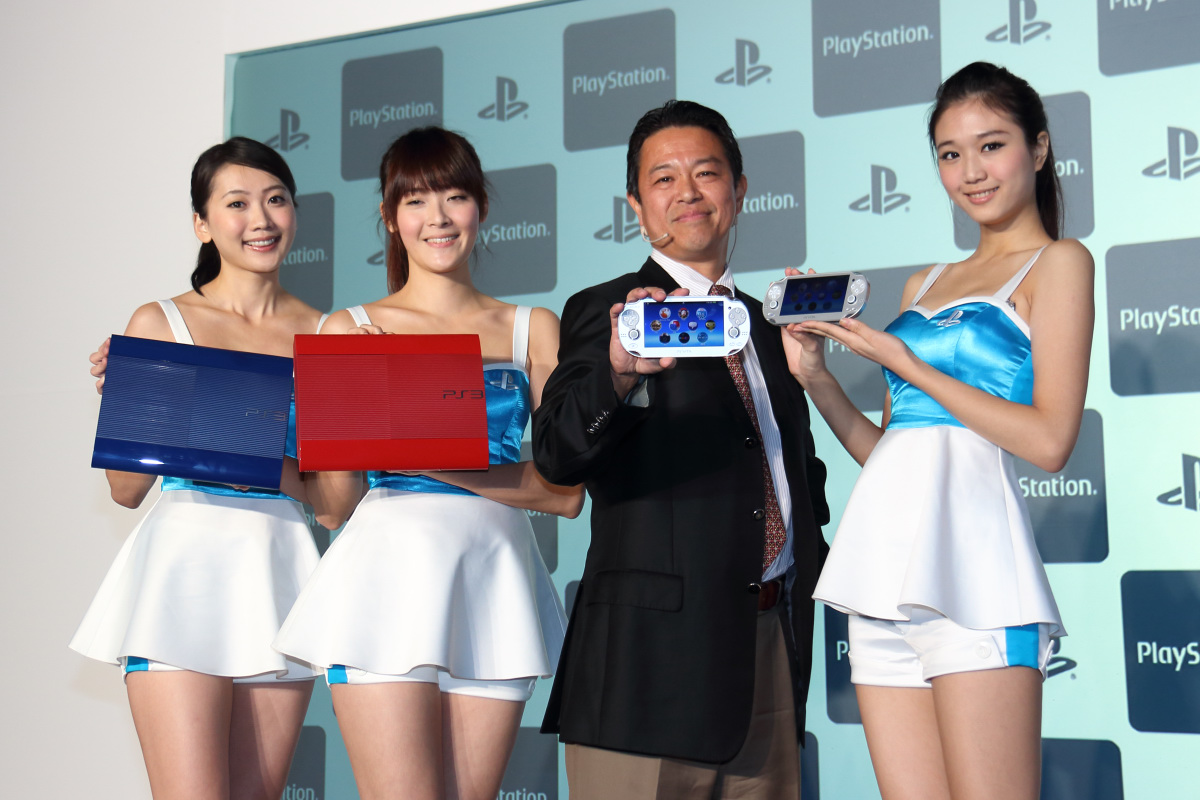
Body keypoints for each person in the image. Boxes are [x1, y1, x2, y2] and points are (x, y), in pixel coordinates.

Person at [786, 62, 1094, 800]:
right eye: (951, 154)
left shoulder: (1060, 263)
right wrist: (817, 377)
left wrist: (904, 361)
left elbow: (1050, 442)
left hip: (978, 578)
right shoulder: (921, 283)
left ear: (1039, 148)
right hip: (883, 579)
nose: (971, 172)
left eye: (991, 146)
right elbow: (890, 452)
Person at [272, 126, 583, 800]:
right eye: (414, 201)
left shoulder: (532, 328)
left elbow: (564, 494)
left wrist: (414, 445)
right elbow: (335, 507)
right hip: (383, 581)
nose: (437, 218)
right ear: (390, 217)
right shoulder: (345, 329)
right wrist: (358, 394)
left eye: (454, 197)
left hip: (494, 583)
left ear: (481, 207)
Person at [531, 100, 829, 799]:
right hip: (648, 671)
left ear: (739, 191)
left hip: (769, 653)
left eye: (707, 172)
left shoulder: (770, 326)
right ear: (636, 206)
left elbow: (794, 475)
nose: (688, 192)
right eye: (664, 178)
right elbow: (557, 455)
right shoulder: (609, 310)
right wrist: (619, 372)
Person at [71, 137, 327, 800]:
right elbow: (126, 488)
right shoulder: (160, 323)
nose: (260, 219)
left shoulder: (328, 334)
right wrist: (135, 401)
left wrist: (247, 453)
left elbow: (333, 503)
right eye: (237, 203)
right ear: (202, 224)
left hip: (278, 572)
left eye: (276, 200)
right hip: (179, 578)